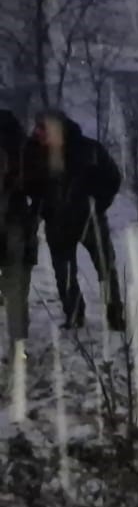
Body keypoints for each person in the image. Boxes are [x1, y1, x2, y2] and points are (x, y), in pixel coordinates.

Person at [31, 110, 123, 331]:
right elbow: (33, 186)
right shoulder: (38, 154)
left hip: (90, 221)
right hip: (58, 223)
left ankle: (114, 315)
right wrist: (42, 208)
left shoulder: (88, 149)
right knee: (64, 274)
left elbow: (113, 178)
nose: (38, 133)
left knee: (105, 270)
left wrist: (97, 205)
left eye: (43, 128)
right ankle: (74, 315)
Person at [0, 111, 40, 346]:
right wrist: (34, 214)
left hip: (13, 219)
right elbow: (40, 187)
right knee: (16, 285)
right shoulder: (25, 149)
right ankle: (18, 345)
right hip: (17, 220)